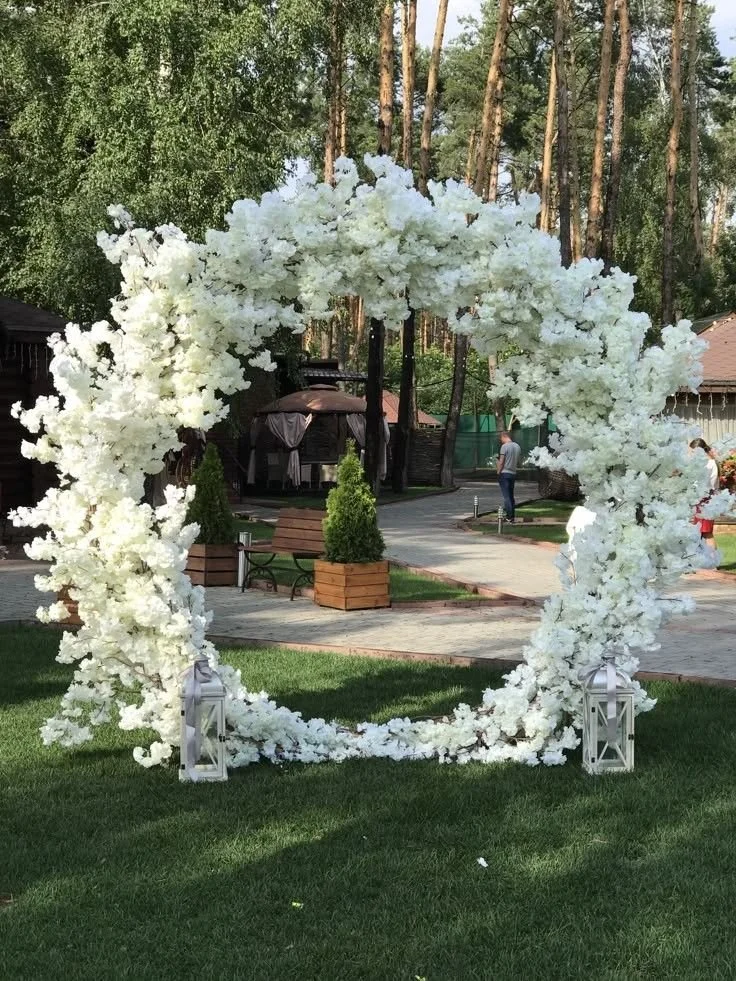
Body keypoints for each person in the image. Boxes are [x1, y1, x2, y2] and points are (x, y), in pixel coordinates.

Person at [689, 438, 719, 546]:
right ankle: (707, 560)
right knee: (702, 533)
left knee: (706, 533)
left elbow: (699, 484)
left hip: (702, 500)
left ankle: (712, 561)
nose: (691, 454)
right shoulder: (712, 463)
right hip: (707, 499)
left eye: (693, 451)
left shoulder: (707, 463)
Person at [496, 431, 521, 523]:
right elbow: (519, 461)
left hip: (505, 473)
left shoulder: (504, 447)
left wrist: (498, 471)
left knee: (506, 496)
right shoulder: (517, 446)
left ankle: (509, 517)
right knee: (511, 496)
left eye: (501, 438)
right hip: (513, 473)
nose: (501, 440)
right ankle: (512, 516)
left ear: (504, 436)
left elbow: (502, 461)